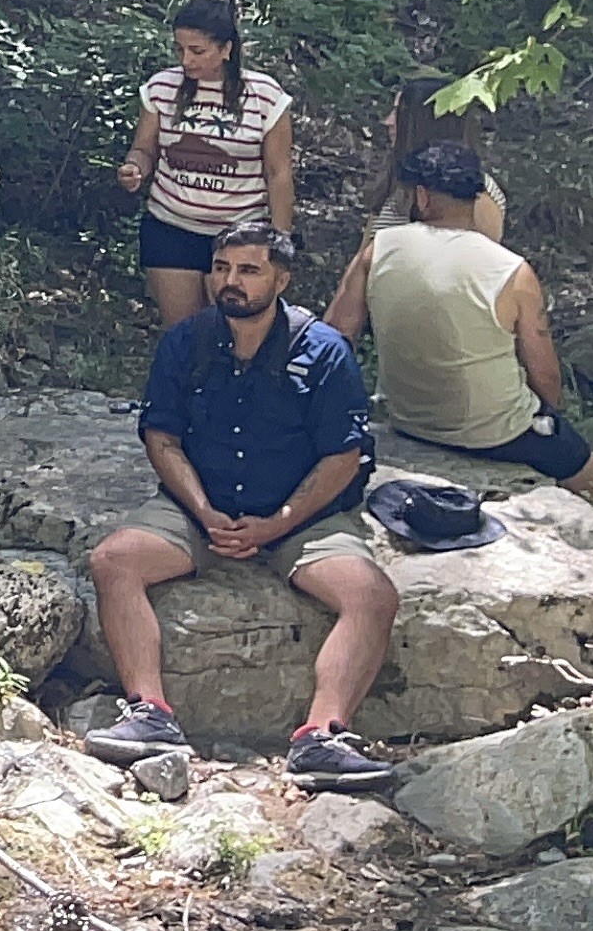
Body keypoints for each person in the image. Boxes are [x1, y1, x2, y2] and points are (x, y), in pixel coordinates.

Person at [328, 141, 593, 618]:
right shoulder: (511, 270)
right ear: (477, 198)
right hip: (498, 431)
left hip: (407, 421)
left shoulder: (378, 250)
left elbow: (336, 335)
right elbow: (545, 375)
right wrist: (550, 414)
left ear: (421, 196)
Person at [82, 224, 397, 788]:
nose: (231, 281)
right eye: (222, 268)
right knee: (113, 561)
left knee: (371, 595)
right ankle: (149, 713)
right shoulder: (186, 341)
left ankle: (322, 737)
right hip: (200, 508)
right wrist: (203, 510)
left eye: (249, 270)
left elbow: (343, 457)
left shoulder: (325, 351)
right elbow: (162, 437)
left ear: (282, 279)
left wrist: (279, 523)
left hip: (301, 516)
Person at [117, 0, 295, 327]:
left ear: (226, 49)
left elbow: (278, 172)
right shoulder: (161, 88)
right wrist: (135, 168)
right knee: (184, 333)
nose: (186, 60)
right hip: (171, 229)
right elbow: (144, 149)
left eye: (197, 51)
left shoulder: (264, 95)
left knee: (236, 331)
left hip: (240, 234)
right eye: (179, 50)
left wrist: (279, 241)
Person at [362, 74, 503, 239]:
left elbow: (482, 252)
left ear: (425, 122)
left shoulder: (473, 191)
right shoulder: (395, 182)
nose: (389, 121)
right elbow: (367, 251)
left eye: (399, 113)